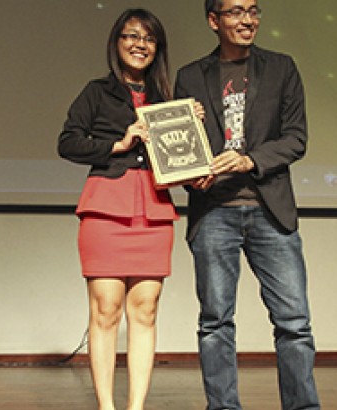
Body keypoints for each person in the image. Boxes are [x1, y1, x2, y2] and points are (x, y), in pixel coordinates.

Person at [174, 1, 321, 409]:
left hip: (269, 209)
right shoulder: (190, 76)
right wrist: (191, 174)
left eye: (254, 10)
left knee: (294, 323)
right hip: (214, 211)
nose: (248, 19)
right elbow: (184, 149)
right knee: (215, 323)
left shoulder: (281, 68)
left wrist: (249, 160)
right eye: (236, 11)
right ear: (213, 20)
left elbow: (295, 138)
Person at [57, 9, 177, 410]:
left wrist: (189, 132)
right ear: (117, 42)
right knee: (106, 309)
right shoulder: (96, 92)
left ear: (157, 48)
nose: (139, 44)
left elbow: (182, 165)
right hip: (106, 208)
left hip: (155, 210)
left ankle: (136, 407)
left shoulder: (169, 100)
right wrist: (117, 145)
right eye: (131, 36)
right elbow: (68, 142)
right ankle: (107, 407)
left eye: (148, 39)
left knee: (144, 310)